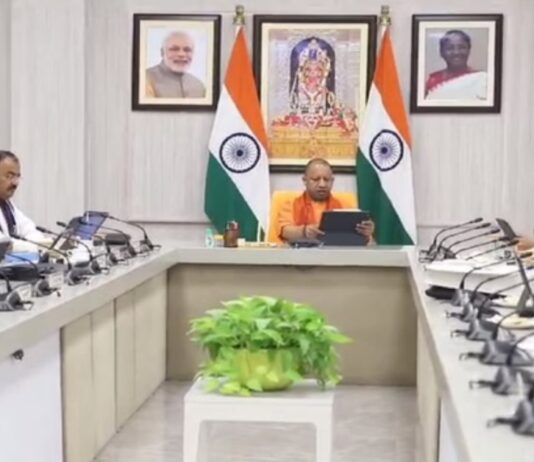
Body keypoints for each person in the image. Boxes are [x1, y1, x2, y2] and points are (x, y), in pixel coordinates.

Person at [275, 158, 375, 243]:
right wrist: (304, 232)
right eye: (316, 179)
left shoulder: (345, 205)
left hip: (336, 256)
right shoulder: (290, 204)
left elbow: (364, 242)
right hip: (301, 256)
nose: (322, 185)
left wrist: (365, 233)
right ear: (305, 180)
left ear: (332, 181)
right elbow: (285, 231)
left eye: (326, 180)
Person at [0, 150, 44, 251]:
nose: (15, 183)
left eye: (17, 176)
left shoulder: (7, 205)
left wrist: (43, 244)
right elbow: (3, 244)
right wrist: (33, 246)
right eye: (9, 176)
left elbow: (31, 231)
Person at [425, 30, 487, 100]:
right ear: (441, 52)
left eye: (462, 47)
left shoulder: (482, 79)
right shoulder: (433, 81)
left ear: (469, 50)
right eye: (450, 48)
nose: (456, 52)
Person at [145, 31, 206, 98]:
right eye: (174, 49)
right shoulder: (145, 79)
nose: (181, 54)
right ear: (162, 52)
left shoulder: (199, 86)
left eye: (187, 50)